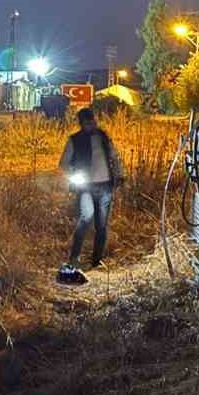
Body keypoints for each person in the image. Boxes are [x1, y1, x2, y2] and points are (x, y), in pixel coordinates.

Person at [57, 108, 126, 275]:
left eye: (92, 121)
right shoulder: (74, 140)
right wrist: (74, 173)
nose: (91, 124)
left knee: (101, 225)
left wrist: (120, 175)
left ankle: (96, 261)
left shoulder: (103, 137)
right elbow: (64, 163)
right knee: (86, 217)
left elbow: (114, 156)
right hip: (86, 187)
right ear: (81, 123)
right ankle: (74, 258)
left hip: (105, 186)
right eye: (87, 122)